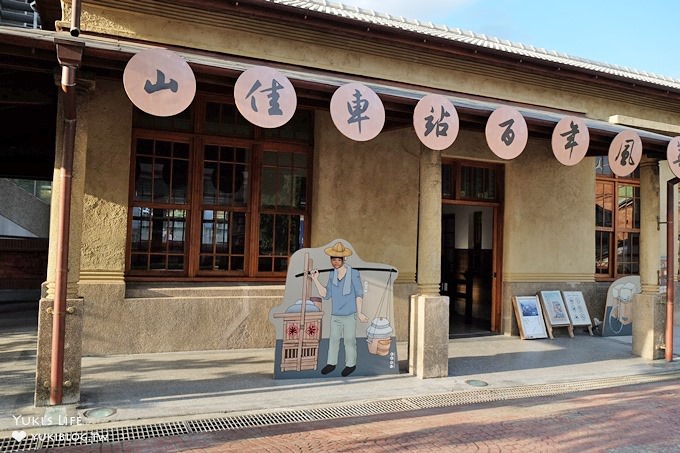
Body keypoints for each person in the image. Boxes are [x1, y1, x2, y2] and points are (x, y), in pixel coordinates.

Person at [310, 242, 368, 377]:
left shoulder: (353, 273)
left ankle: (350, 365)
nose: (335, 262)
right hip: (336, 314)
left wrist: (359, 312)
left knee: (349, 340)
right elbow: (326, 294)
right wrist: (316, 280)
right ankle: (331, 363)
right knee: (334, 340)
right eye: (333, 259)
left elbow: (359, 293)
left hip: (350, 314)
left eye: (338, 259)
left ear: (344, 260)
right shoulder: (332, 275)